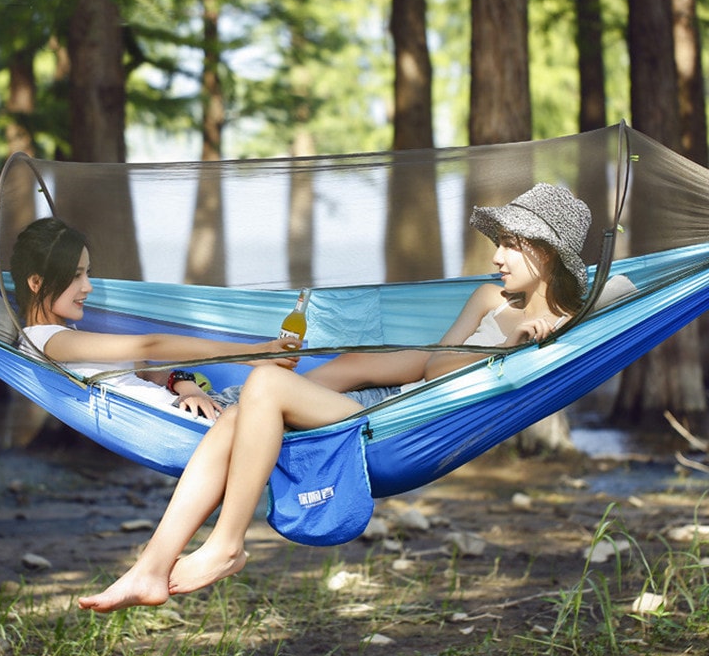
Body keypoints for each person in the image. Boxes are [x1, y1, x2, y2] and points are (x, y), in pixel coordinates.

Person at [77, 183, 591, 613]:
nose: (496, 256)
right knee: (234, 416)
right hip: (389, 399)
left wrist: (521, 344)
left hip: (403, 425)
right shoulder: (490, 299)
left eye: (508, 243)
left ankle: (226, 543)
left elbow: (614, 297)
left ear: (542, 252)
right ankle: (150, 566)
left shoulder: (569, 329)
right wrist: (500, 344)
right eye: (497, 242)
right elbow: (433, 363)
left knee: (265, 387)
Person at [10, 217, 299, 419]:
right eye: (75, 276)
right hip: (202, 420)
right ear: (35, 283)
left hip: (204, 408)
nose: (88, 286)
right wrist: (254, 353)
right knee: (315, 396)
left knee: (332, 382)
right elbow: (150, 346)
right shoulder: (45, 340)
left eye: (87, 273)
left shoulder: (68, 337)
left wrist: (188, 388)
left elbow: (149, 370)